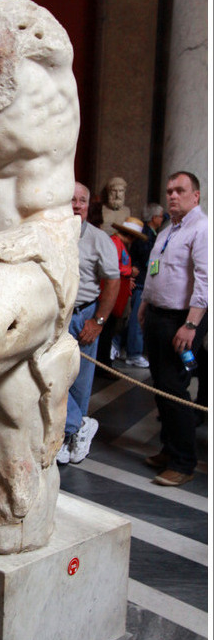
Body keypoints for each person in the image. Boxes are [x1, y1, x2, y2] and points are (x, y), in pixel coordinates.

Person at [138, 171, 208, 487]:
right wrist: (143, 306)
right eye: (169, 191)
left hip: (180, 320)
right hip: (157, 315)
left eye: (180, 190)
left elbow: (205, 282)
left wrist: (191, 324)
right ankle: (169, 449)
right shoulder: (170, 229)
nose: (173, 196)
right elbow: (157, 273)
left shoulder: (202, 229)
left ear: (196, 195)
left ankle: (183, 462)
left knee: (174, 391)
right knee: (162, 389)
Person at [57, 182, 120, 465]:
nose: (76, 205)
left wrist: (98, 321)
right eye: (71, 200)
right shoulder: (51, 233)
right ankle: (75, 425)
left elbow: (113, 281)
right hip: (54, 314)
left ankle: (72, 435)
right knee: (53, 377)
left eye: (82, 201)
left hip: (83, 315)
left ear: (87, 206)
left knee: (79, 382)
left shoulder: (99, 239)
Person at [96, 217, 147, 372]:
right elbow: (113, 267)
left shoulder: (120, 244)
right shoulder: (115, 243)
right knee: (106, 329)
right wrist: (129, 272)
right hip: (111, 292)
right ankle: (103, 365)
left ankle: (105, 363)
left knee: (110, 329)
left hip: (120, 291)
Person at [123, 203, 164, 367]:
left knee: (137, 318)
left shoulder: (153, 233)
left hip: (146, 280)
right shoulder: (146, 236)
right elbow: (150, 260)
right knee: (136, 319)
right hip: (141, 281)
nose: (162, 219)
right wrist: (155, 274)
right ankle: (133, 353)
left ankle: (119, 342)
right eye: (160, 216)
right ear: (154, 218)